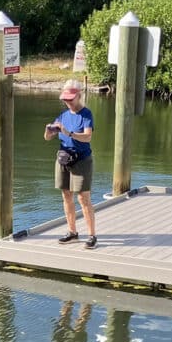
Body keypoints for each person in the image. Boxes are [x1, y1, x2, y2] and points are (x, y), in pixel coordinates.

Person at [44, 79, 97, 249]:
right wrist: (49, 131)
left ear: (79, 96)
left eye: (70, 99)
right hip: (64, 158)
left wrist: (70, 133)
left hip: (81, 160)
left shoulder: (86, 114)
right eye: (65, 99)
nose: (68, 102)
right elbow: (47, 138)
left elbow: (87, 137)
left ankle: (92, 235)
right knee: (66, 195)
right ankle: (72, 232)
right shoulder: (62, 115)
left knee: (83, 197)